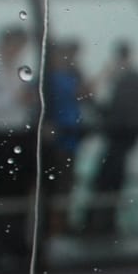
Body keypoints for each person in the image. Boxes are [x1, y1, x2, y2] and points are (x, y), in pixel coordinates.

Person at [83, 40, 138, 237]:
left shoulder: (128, 80)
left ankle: (97, 224)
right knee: (111, 180)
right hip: (123, 138)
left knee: (106, 179)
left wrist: (94, 104)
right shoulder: (136, 79)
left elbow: (115, 113)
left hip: (119, 138)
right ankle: (103, 224)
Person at [0, 26, 38, 258]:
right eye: (18, 46)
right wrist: (16, 99)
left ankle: (18, 241)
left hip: (19, 134)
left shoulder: (17, 68)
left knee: (20, 190)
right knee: (1, 192)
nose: (20, 51)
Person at [40, 39, 87, 236]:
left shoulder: (59, 77)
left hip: (68, 139)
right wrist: (108, 70)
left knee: (64, 184)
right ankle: (55, 226)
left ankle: (58, 223)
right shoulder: (56, 78)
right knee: (61, 184)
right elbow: (84, 92)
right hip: (61, 141)